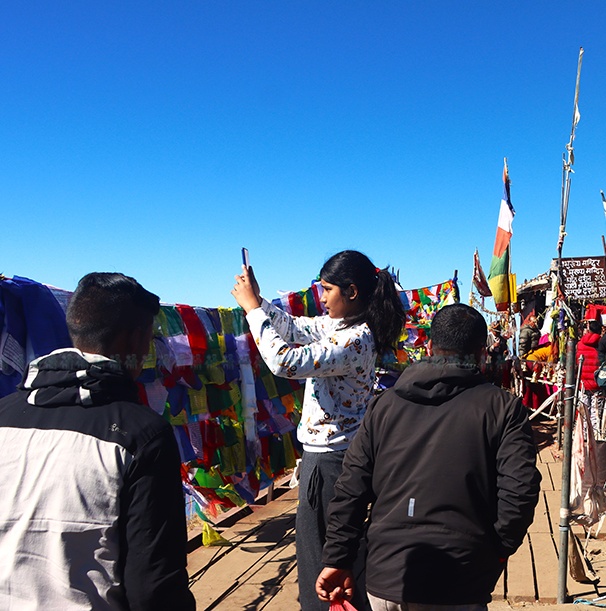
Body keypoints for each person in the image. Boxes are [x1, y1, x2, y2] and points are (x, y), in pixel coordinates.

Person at [316, 303, 541, 609]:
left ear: (430, 347)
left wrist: (338, 558)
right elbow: (520, 491)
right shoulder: (503, 407)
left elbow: (351, 487)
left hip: (388, 577)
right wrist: (497, 550)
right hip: (461, 578)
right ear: (481, 353)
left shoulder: (385, 405)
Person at [0, 272, 195, 610]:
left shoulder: (4, 415)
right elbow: (154, 585)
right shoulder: (142, 434)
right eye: (149, 342)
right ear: (134, 341)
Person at [232, 250, 407, 611]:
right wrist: (260, 301)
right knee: (337, 554)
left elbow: (285, 361)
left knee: (322, 558)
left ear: (352, 292)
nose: (321, 297)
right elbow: (294, 329)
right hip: (333, 458)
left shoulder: (354, 339)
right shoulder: (339, 327)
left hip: (330, 463)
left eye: (327, 290)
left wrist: (252, 311)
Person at [577, 318, 603, 391]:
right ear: (600, 331)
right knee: (597, 401)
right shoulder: (602, 343)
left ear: (589, 329)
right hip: (598, 382)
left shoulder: (580, 344)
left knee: (583, 401)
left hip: (583, 382)